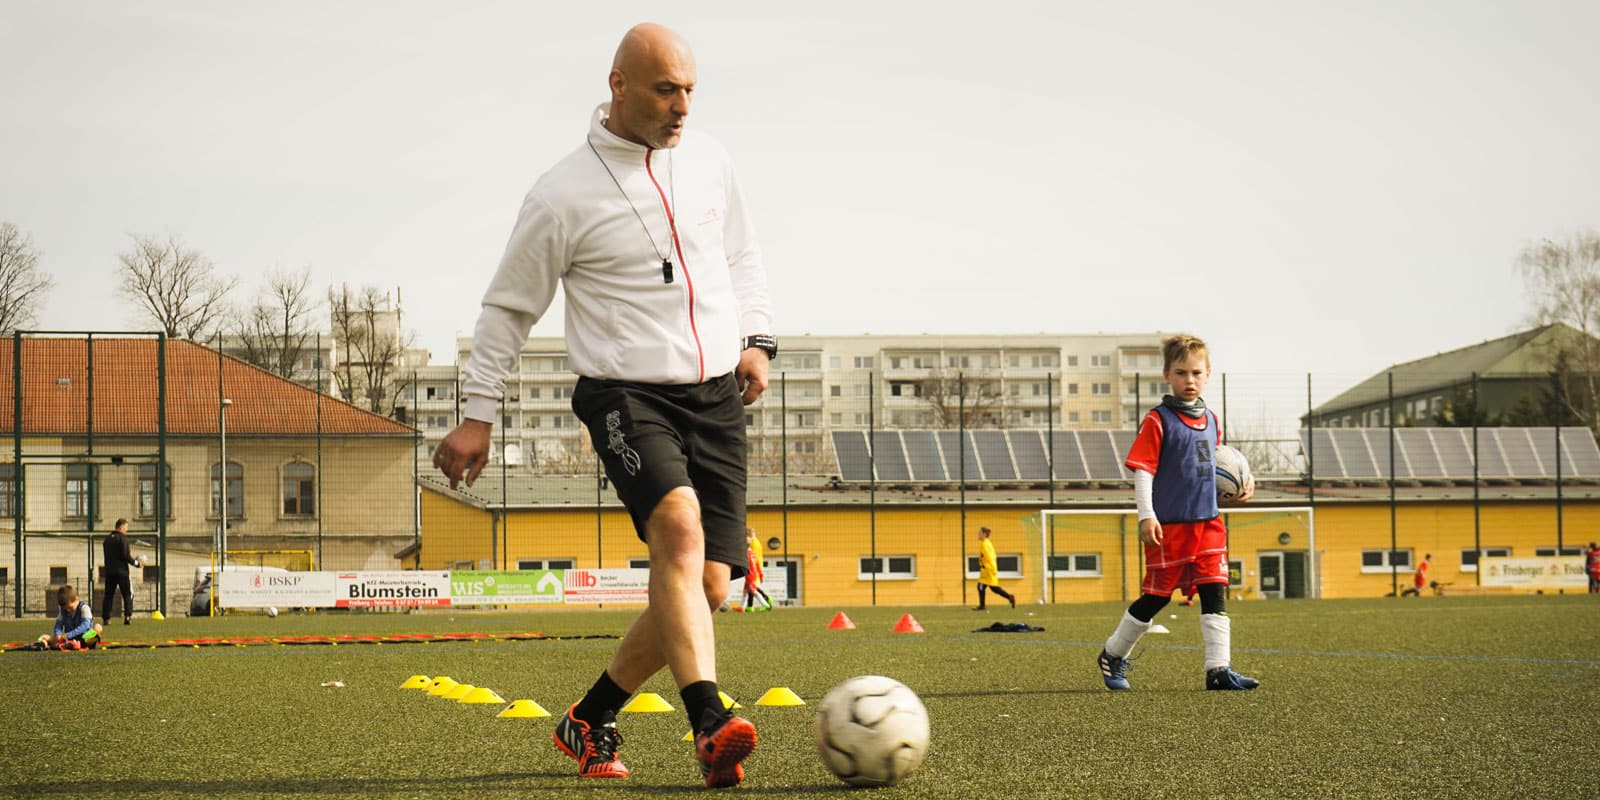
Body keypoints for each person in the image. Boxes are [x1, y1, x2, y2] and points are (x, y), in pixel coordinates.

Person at [431, 23, 770, 788]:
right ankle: (710, 723)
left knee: (712, 584)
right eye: (664, 89)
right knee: (676, 531)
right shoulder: (560, 194)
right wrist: (478, 413)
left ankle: (589, 717)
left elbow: (743, 256)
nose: (681, 106)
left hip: (717, 393)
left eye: (689, 90)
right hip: (625, 392)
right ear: (617, 86)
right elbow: (508, 308)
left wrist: (759, 339)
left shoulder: (712, 160)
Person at [1096, 334, 1259, 692]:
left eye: (1196, 373)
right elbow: (1144, 470)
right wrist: (1146, 515)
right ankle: (1112, 654)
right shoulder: (1158, 421)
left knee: (1215, 590)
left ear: (1208, 374)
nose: (1190, 380)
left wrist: (1242, 485)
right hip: (1168, 526)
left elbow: (1217, 466)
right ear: (1167, 374)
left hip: (1209, 524)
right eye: (1181, 372)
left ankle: (1218, 670)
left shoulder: (1212, 420)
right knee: (1157, 597)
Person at [101, 518, 140, 624]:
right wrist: (136, 563)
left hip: (109, 571)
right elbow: (126, 555)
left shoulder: (107, 539)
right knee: (127, 594)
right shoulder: (123, 539)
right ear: (121, 527)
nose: (127, 530)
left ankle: (106, 618)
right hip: (122, 572)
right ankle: (127, 616)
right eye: (126, 527)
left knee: (109, 595)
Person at [40, 585, 102, 651]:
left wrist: (69, 635)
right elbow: (58, 625)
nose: (68, 610)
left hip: (85, 639)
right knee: (46, 637)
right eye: (65, 608)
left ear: (76, 599)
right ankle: (46, 643)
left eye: (70, 607)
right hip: (69, 640)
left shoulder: (84, 608)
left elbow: (85, 626)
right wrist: (58, 634)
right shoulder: (63, 611)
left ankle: (76, 644)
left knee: (98, 627)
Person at [973, 527, 1016, 610]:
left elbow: (990, 557)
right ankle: (1010, 597)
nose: (978, 534)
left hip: (988, 570)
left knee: (984, 587)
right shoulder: (986, 543)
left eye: (980, 533)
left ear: (984, 534)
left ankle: (982, 606)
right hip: (986, 570)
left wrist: (993, 569)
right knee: (992, 588)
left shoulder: (985, 544)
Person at [742, 528, 772, 612]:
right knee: (750, 587)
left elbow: (752, 558)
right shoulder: (756, 542)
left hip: (753, 567)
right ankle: (749, 606)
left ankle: (766, 600)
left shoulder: (753, 544)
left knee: (752, 587)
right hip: (756, 566)